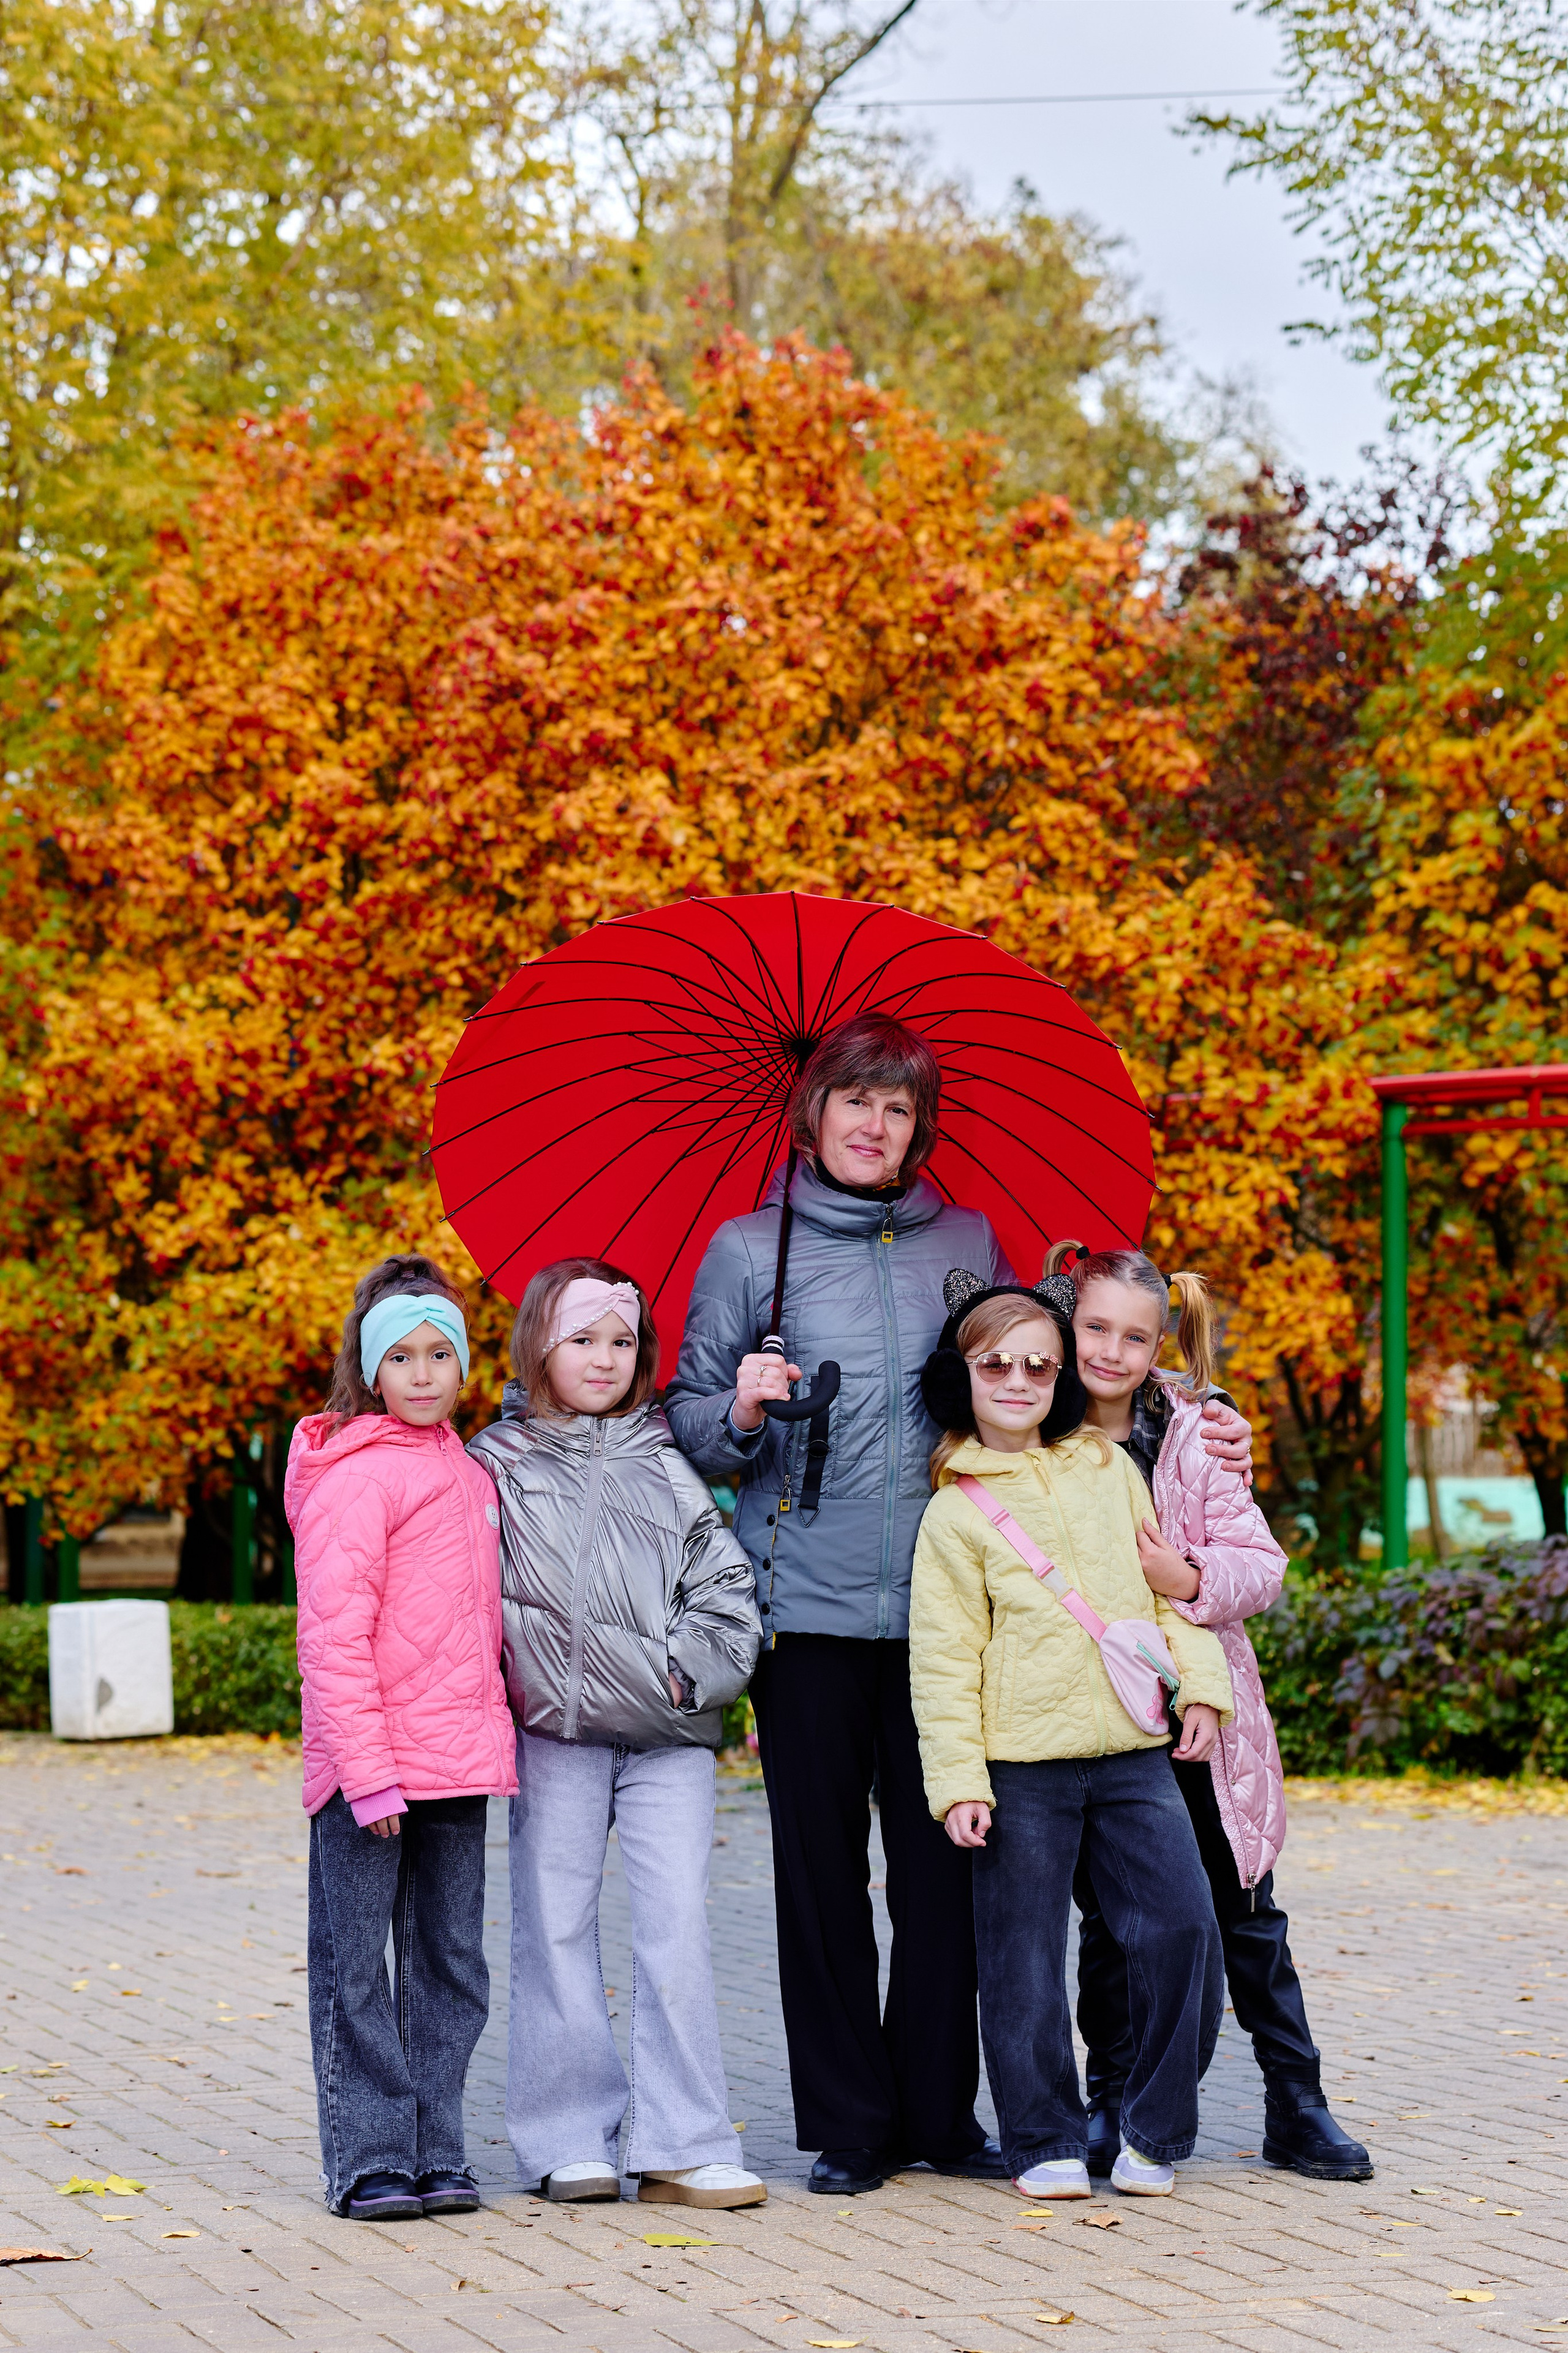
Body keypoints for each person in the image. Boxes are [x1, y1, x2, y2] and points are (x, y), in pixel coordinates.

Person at [666, 1011, 1255, 2196]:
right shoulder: (746, 1250)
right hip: (809, 1613)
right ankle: (848, 2123)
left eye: (897, 1107)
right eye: (855, 1102)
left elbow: (1057, 1364)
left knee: (948, 1867)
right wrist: (738, 1410)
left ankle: (939, 2111)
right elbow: (686, 1425)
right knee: (820, 1879)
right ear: (814, 1114)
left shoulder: (969, 1237)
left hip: (964, 1612)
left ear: (917, 1124)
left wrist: (1198, 1411)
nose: (876, 1124)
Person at [1044, 1242, 1372, 2183]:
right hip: (1103, 1714)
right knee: (1111, 1923)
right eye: (1095, 1327)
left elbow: (1260, 1567)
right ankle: (1111, 2096)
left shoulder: (1198, 1430)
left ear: (1162, 1345)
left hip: (1212, 1715)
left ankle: (1296, 2102)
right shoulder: (1041, 1436)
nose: (1110, 1350)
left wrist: (1180, 1576)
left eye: (1134, 1336)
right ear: (1069, 1325)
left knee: (1247, 1913)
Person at [910, 1278, 1235, 2199]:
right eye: (995, 1364)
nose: (1017, 1380)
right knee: (1022, 1961)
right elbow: (943, 1661)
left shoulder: (1109, 1468)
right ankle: (1042, 2136)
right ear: (962, 1375)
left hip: (1134, 1752)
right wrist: (958, 1781)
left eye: (1036, 1364)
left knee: (1185, 1928)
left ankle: (1155, 2129)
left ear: (1059, 1376)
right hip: (1021, 1765)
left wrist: (1203, 1688)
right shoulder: (956, 1510)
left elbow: (1164, 1596)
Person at [468, 1258, 766, 2210]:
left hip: (666, 1736)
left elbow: (727, 1594)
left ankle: (682, 2139)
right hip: (553, 1731)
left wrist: (687, 1672)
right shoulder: (495, 1463)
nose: (604, 1357)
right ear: (540, 1347)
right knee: (553, 1922)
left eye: (623, 1339)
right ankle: (567, 2135)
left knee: (675, 1923)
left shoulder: (666, 1462)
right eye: (582, 1338)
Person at [286, 1253, 518, 2223]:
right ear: (371, 1369)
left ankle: (437, 2149)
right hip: (367, 1776)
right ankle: (372, 2157)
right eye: (403, 1357)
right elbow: (333, 1639)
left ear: (462, 1365)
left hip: (456, 1764)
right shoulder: (357, 1476)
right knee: (357, 1966)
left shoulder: (468, 1471)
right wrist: (370, 1777)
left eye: (441, 1355)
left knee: (450, 1964)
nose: (424, 1374)